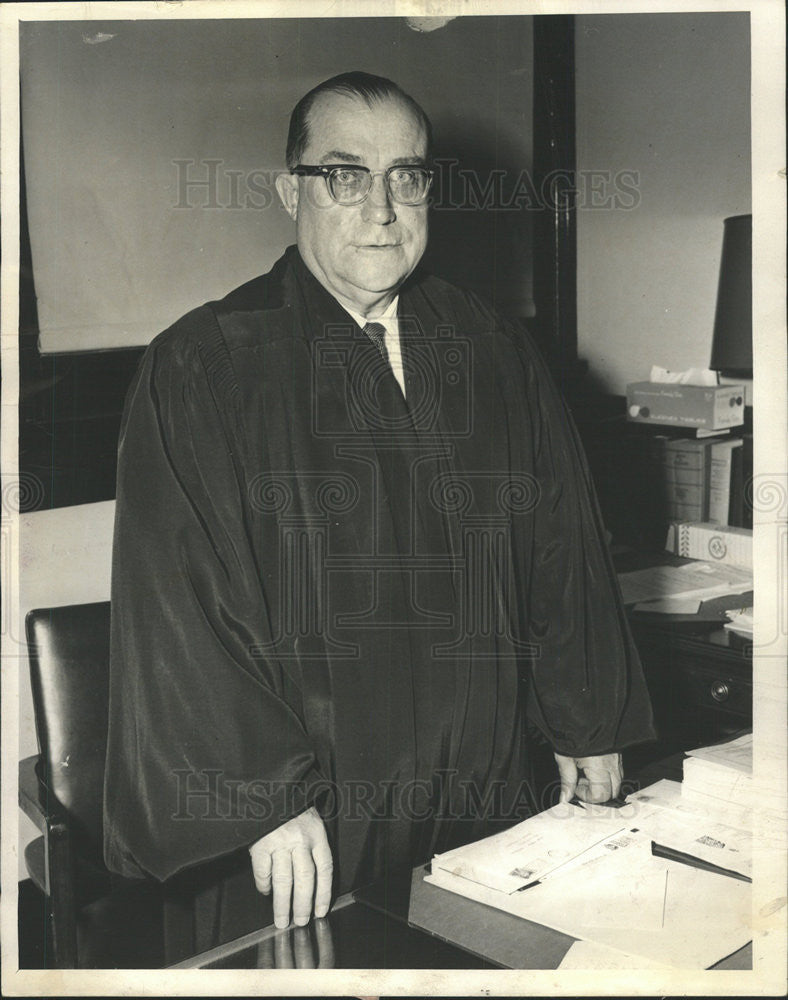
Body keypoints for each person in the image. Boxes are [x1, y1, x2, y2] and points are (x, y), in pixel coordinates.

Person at [103, 72, 655, 931]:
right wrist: (262, 798)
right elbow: (178, 607)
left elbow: (562, 550)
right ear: (293, 190)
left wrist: (589, 720)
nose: (383, 208)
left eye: (408, 175)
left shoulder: (492, 351)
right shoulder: (204, 366)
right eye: (345, 175)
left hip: (491, 788)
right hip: (311, 819)